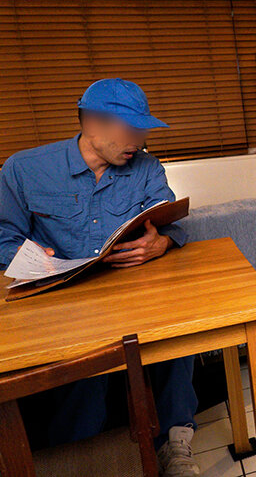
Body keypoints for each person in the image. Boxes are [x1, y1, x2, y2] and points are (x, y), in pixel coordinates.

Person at [0, 78, 200, 476]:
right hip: (64, 304)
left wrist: (162, 242)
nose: (140, 141)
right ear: (92, 123)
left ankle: (176, 443)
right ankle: (80, 458)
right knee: (85, 375)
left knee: (179, 332)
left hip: (134, 294)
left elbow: (168, 219)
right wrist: (27, 257)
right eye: (132, 130)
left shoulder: (147, 167)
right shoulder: (23, 169)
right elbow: (4, 236)